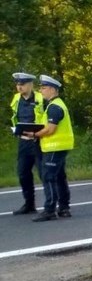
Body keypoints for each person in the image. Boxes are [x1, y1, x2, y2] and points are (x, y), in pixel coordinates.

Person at [25, 74, 74, 220]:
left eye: (44, 88)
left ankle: (50, 209)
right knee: (59, 177)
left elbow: (50, 129)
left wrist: (34, 135)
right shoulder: (55, 105)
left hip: (54, 146)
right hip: (58, 146)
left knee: (49, 177)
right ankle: (64, 208)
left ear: (52, 89)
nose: (41, 91)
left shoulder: (55, 107)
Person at [9, 71, 44, 215]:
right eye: (18, 84)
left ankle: (55, 205)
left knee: (44, 174)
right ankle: (29, 204)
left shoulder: (41, 98)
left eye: (22, 84)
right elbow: (15, 117)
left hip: (38, 140)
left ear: (30, 85)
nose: (19, 87)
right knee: (23, 173)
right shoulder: (17, 99)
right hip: (23, 141)